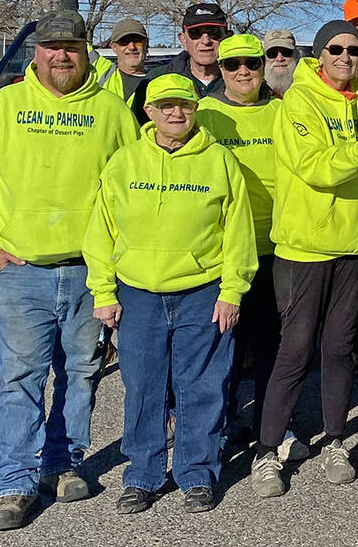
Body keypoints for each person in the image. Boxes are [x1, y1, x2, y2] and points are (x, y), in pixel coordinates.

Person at [0, 10, 139, 532]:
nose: (62, 55)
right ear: (36, 51)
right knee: (20, 378)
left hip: (89, 271)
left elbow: (133, 184)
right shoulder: (4, 107)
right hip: (21, 271)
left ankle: (63, 462)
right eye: (52, 47)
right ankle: (14, 483)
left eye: (72, 47)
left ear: (88, 52)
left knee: (81, 372)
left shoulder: (111, 111)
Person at [84, 73, 255, 514]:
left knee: (202, 387)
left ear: (195, 109)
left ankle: (197, 473)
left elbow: (238, 232)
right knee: (143, 387)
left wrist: (232, 291)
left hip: (203, 291)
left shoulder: (219, 161)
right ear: (150, 112)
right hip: (138, 292)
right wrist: (103, 291)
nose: (176, 113)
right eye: (166, 106)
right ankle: (142, 475)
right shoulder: (124, 162)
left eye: (185, 105)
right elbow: (100, 232)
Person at [249, 20, 358, 497]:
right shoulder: (299, 99)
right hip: (306, 248)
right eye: (335, 49)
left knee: (340, 348)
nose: (345, 57)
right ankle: (267, 450)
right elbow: (311, 166)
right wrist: (356, 148)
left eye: (353, 50)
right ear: (320, 53)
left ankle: (335, 440)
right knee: (294, 351)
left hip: (355, 246)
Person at [195, 34, 284, 450]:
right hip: (223, 251)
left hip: (275, 247)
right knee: (222, 346)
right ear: (221, 71)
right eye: (233, 65)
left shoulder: (282, 112)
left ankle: (271, 422)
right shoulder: (204, 114)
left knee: (271, 343)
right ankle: (221, 424)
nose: (243, 71)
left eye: (251, 62)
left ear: (263, 66)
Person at [129, 3, 232, 123]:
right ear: (183, 40)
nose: (206, 41)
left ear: (228, 38)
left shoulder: (245, 80)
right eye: (196, 33)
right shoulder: (155, 80)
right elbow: (137, 130)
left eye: (214, 32)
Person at [104, 19, 150, 102]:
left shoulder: (158, 81)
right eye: (124, 42)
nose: (132, 47)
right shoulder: (102, 77)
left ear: (146, 44)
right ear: (113, 47)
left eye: (137, 41)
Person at [262, 28, 299, 95]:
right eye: (272, 54)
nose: (280, 59)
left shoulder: (305, 87)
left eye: (286, 52)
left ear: (295, 55)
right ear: (265, 58)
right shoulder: (255, 92)